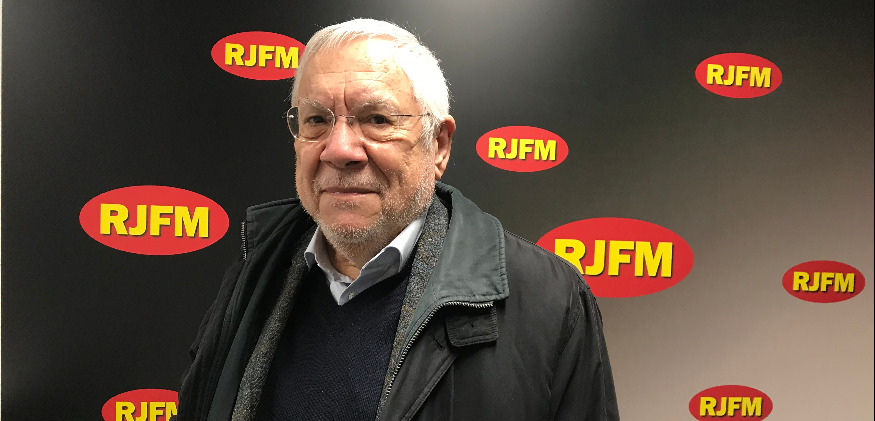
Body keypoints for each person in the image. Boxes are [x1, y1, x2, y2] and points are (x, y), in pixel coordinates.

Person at [176, 18, 619, 421]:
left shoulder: (548, 300)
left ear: (438, 145)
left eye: (377, 119)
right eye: (316, 120)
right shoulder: (253, 277)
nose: (340, 149)